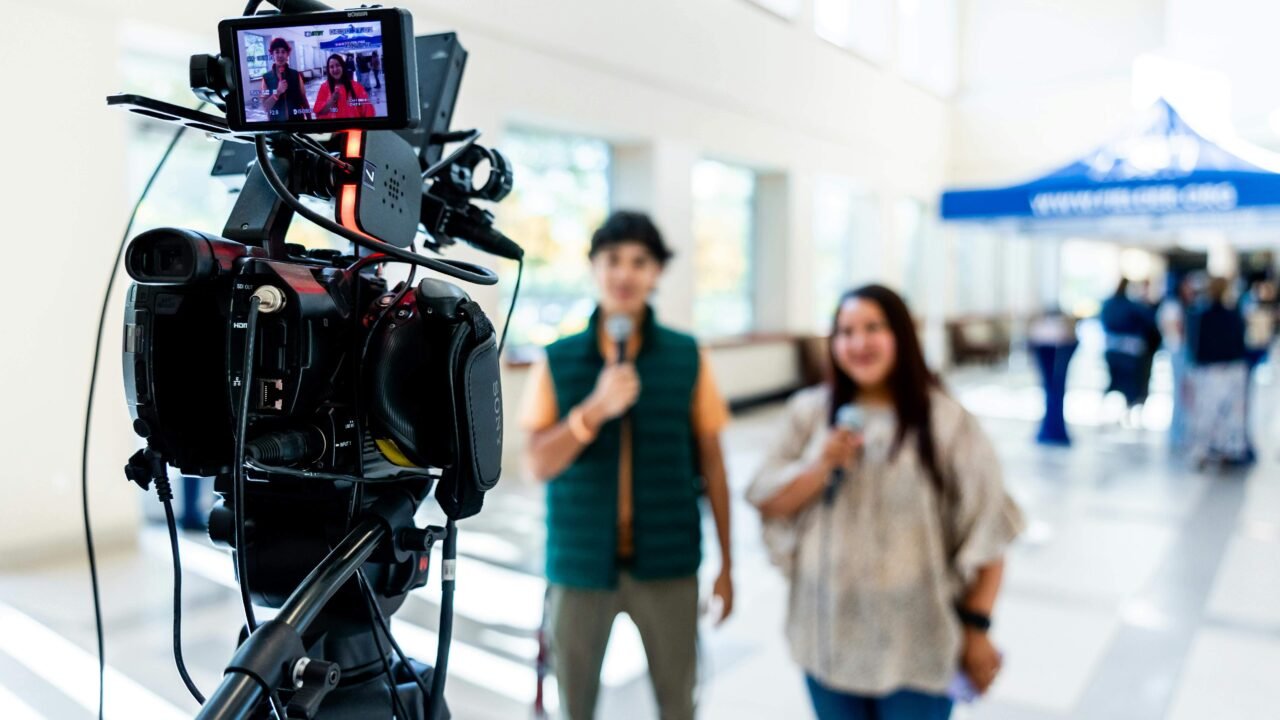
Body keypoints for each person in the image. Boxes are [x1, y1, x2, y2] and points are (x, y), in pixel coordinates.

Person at [747, 285, 1023, 720]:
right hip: (827, 640)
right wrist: (818, 466)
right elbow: (767, 501)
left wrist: (977, 627)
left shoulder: (946, 421)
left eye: (873, 328)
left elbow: (989, 532)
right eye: (846, 331)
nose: (859, 343)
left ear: (901, 335)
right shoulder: (809, 414)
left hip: (919, 644)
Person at [521, 210, 734, 720]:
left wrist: (729, 565)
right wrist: (592, 411)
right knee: (574, 704)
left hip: (668, 562)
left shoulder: (687, 356)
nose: (625, 274)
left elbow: (715, 465)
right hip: (578, 566)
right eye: (613, 259)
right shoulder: (559, 358)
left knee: (678, 701)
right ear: (594, 267)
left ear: (656, 273)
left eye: (640, 262)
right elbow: (535, 465)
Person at [1185, 277, 1252, 467]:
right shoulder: (1230, 315)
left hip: (1210, 369)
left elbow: (1194, 345)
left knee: (1208, 413)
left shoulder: (1200, 314)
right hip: (1225, 369)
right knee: (1224, 414)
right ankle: (1219, 452)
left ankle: (1207, 451)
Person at [1099, 278, 1159, 425]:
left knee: (1115, 381)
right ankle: (1127, 414)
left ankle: (1112, 413)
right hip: (1129, 352)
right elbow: (1150, 321)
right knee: (1130, 385)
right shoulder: (1131, 306)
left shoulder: (1109, 304)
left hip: (1112, 351)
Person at [1157, 275, 1196, 449]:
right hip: (1178, 352)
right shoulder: (1172, 306)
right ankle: (1177, 434)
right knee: (1180, 393)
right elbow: (1174, 329)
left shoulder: (1182, 306)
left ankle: (1183, 431)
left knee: (1185, 394)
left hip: (1182, 351)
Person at [259, 37, 311, 123]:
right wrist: (277, 92)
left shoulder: (296, 75)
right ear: (272, 55)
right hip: (276, 125)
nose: (280, 55)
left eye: (283, 52)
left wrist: (309, 120)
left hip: (297, 122)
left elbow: (304, 100)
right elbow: (265, 107)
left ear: (287, 55)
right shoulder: (266, 78)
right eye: (277, 52)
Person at [313, 54, 375, 120]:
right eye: (331, 67)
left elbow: (368, 110)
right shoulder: (324, 87)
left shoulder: (356, 87)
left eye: (338, 65)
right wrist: (332, 100)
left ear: (343, 67)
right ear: (328, 70)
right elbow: (319, 112)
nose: (335, 69)